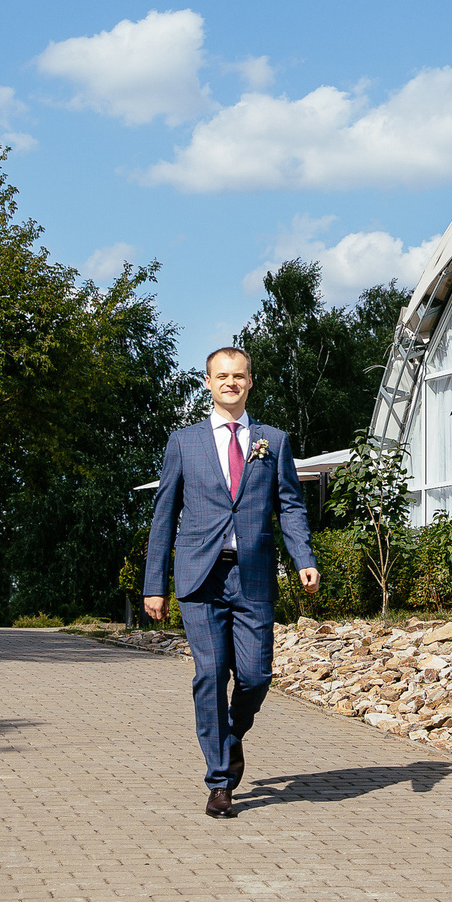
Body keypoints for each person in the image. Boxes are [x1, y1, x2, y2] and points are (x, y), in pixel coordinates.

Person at [144, 346, 319, 817]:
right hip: (201, 576)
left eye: (239, 376)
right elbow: (164, 517)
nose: (231, 383)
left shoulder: (273, 441)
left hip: (254, 575)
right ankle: (219, 782)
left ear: (250, 383)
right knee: (209, 674)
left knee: (257, 675)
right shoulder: (184, 443)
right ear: (207, 383)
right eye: (222, 376)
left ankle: (232, 732)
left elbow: (291, 505)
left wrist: (303, 555)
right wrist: (153, 584)